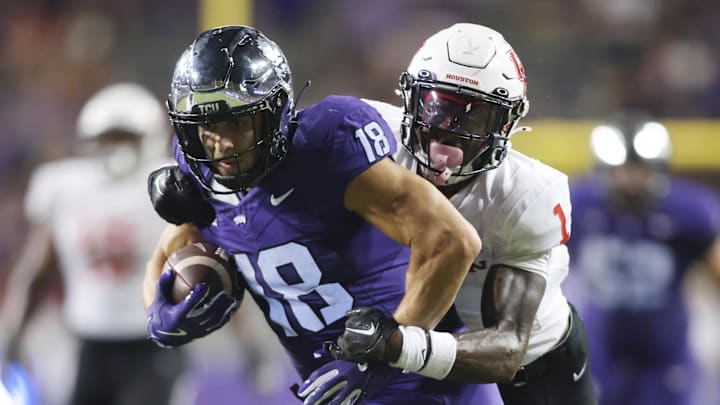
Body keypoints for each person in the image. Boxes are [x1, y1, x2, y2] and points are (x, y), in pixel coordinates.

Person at [143, 25, 485, 404]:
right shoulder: (202, 168)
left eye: (236, 123)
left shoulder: (327, 146)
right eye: (206, 126)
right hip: (335, 390)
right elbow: (172, 244)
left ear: (274, 112)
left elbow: (453, 241)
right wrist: (157, 311)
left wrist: (390, 349)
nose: (220, 141)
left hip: (423, 386)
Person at [319, 23, 598, 405]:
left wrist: (399, 346)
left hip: (525, 359)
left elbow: (509, 347)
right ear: (409, 98)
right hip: (404, 320)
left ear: (507, 124)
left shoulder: (526, 195)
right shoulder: (367, 138)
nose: (447, 132)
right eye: (438, 106)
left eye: (474, 117)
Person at [0, 83, 184, 405]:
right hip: (88, 343)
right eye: (109, 137)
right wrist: (12, 331)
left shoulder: (170, 187)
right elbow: (39, 270)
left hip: (153, 344)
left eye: (127, 137)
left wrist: (248, 343)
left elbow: (205, 268)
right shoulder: (68, 188)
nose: (117, 147)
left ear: (150, 137)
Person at [562, 113, 720, 405]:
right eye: (622, 169)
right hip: (600, 350)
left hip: (665, 356)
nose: (631, 179)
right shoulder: (579, 205)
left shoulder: (688, 211)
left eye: (639, 169)